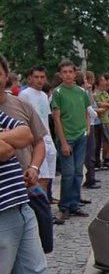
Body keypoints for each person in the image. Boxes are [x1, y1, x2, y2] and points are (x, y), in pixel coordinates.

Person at [0, 106, 86, 274]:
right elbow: (6, 150)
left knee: (34, 267)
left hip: (19, 201)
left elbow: (26, 135)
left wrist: (8, 138)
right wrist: (7, 137)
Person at [51, 61, 90, 220]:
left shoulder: (81, 92)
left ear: (75, 74)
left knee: (78, 172)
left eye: (70, 72)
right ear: (60, 74)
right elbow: (56, 119)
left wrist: (87, 129)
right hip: (66, 138)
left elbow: (86, 112)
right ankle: (64, 206)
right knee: (68, 174)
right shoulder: (58, 92)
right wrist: (64, 142)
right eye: (64, 72)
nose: (67, 75)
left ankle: (74, 204)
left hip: (81, 136)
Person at [18, 66, 59, 200]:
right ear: (30, 78)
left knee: (47, 177)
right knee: (40, 176)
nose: (39, 80)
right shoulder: (25, 95)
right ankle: (42, 210)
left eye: (42, 77)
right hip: (36, 139)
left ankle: (46, 206)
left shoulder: (43, 95)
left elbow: (45, 119)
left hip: (46, 138)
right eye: (36, 77)